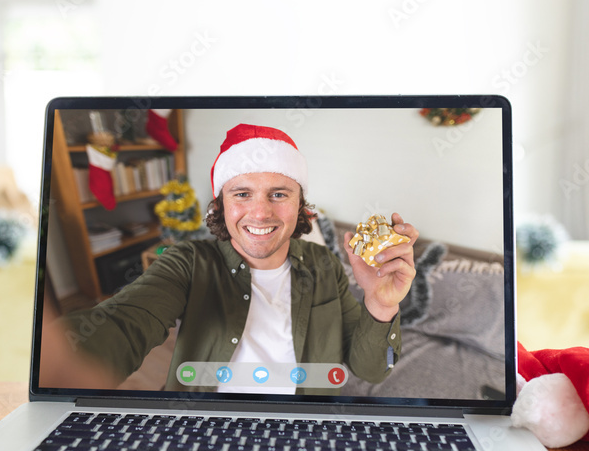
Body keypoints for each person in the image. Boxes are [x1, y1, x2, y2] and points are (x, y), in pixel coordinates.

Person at [60, 123, 418, 394]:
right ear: (221, 205)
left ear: (301, 207)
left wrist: (381, 305)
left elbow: (371, 370)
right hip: (204, 427)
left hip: (307, 429)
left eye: (279, 194)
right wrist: (57, 361)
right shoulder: (188, 262)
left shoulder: (324, 264)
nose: (260, 213)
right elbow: (124, 321)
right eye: (242, 194)